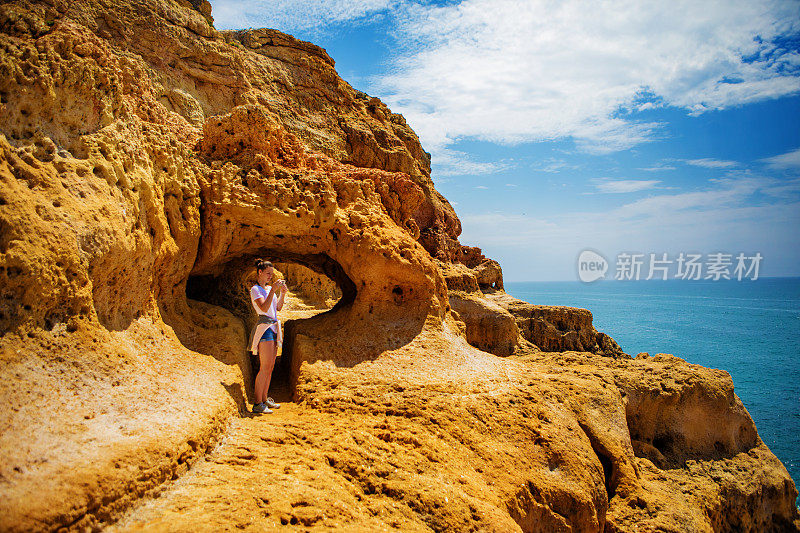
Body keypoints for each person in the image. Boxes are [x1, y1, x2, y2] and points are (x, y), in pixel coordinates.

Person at [248, 259, 287, 414]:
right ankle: (257, 403)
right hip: (265, 329)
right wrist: (273, 291)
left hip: (273, 327)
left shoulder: (269, 289)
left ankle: (264, 399)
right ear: (260, 272)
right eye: (268, 273)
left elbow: (277, 308)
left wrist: (282, 293)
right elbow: (263, 307)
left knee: (270, 367)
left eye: (272, 273)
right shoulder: (255, 290)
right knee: (264, 368)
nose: (271, 276)